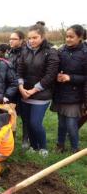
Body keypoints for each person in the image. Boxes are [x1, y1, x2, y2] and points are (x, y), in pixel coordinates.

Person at [17, 22, 59, 157]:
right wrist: (21, 87)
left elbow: (50, 75)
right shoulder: (25, 50)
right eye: (29, 38)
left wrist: (34, 90)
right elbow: (20, 70)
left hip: (41, 94)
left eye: (35, 38)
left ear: (42, 37)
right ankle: (34, 147)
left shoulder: (51, 51)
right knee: (28, 123)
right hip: (25, 93)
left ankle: (43, 147)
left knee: (35, 123)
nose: (31, 41)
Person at [51, 24, 87, 153]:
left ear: (80, 37)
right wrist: (57, 76)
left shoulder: (85, 53)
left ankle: (75, 149)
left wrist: (70, 78)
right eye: (66, 36)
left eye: (71, 37)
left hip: (75, 95)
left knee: (72, 125)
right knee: (61, 123)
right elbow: (54, 68)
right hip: (61, 93)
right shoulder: (61, 51)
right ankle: (60, 146)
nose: (68, 39)